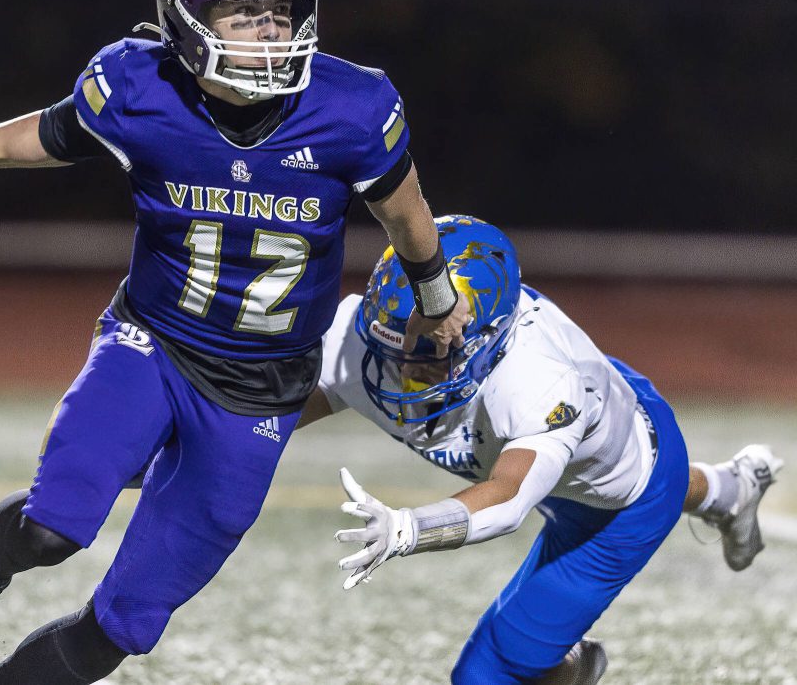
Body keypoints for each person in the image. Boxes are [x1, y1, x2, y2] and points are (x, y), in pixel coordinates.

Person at [0, 0, 471, 684]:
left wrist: (435, 294)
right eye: (245, 13)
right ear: (184, 21)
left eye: (281, 11)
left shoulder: (351, 108)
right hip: (152, 345)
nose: (271, 31)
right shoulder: (137, 87)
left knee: (122, 627)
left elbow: (406, 214)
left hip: (262, 394)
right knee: (53, 527)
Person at [301, 214, 784, 684]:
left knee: (487, 675)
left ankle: (570, 668)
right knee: (575, 461)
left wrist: (409, 528)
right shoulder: (376, 342)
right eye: (387, 347)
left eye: (425, 355)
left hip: (621, 504)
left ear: (482, 344)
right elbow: (269, 413)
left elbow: (510, 497)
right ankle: (728, 490)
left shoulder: (539, 384)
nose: (401, 373)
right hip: (574, 436)